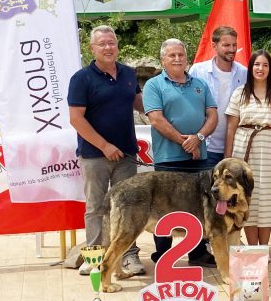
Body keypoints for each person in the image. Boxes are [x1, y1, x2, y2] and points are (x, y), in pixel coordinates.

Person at [68, 25, 146, 277]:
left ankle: (125, 258)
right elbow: (76, 119)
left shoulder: (128, 73)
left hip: (126, 155)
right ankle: (94, 256)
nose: (108, 48)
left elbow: (141, 103)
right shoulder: (81, 78)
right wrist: (104, 145)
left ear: (117, 45)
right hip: (94, 155)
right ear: (92, 48)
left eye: (111, 43)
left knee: (129, 207)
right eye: (102, 44)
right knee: (95, 207)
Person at [142, 38, 218, 267]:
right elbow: (156, 119)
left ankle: (198, 254)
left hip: (198, 157)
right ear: (163, 59)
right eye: (171, 55)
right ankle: (163, 256)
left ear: (187, 58)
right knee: (164, 206)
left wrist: (199, 139)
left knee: (198, 205)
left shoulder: (200, 84)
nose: (177, 59)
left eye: (181, 55)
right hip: (169, 158)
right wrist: (184, 141)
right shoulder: (154, 85)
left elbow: (212, 115)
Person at [225, 49, 271, 248]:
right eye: (256, 64)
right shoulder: (240, 92)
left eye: (265, 65)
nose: (260, 69)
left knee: (268, 199)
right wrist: (227, 157)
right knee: (249, 199)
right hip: (244, 148)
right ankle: (252, 249)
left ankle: (264, 248)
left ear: (270, 68)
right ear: (250, 67)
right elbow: (231, 126)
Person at [189, 26, 248, 165]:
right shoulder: (198, 71)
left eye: (234, 45)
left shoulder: (244, 73)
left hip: (236, 148)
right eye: (226, 45)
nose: (232, 49)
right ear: (214, 45)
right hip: (205, 147)